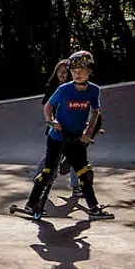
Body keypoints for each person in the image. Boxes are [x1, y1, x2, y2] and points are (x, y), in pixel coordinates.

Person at [20, 50, 112, 220]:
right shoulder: (63, 89)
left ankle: (93, 208)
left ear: (89, 71)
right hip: (57, 137)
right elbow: (47, 107)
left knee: (84, 172)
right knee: (48, 172)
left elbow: (95, 112)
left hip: (75, 139)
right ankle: (31, 205)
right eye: (74, 71)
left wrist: (87, 133)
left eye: (81, 70)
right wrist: (51, 122)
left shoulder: (94, 90)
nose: (77, 74)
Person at [40, 59, 80, 194]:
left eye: (65, 72)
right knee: (50, 156)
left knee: (76, 155)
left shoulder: (74, 87)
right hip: (56, 128)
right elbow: (46, 107)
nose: (62, 75)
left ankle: (76, 187)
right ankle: (40, 179)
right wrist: (51, 122)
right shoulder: (54, 88)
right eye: (59, 72)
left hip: (71, 128)